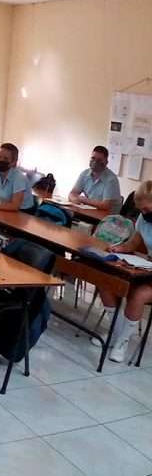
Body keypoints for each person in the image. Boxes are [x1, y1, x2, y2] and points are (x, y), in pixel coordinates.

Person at [95, 180, 152, 362]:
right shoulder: (144, 218)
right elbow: (135, 241)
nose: (143, 214)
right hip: (146, 269)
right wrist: (121, 248)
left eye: (147, 209)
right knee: (106, 280)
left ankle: (123, 341)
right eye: (141, 210)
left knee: (138, 294)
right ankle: (115, 331)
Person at [68, 145, 123, 213]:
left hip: (108, 218)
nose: (95, 162)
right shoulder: (85, 174)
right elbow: (72, 193)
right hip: (90, 212)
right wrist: (74, 199)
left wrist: (83, 200)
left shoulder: (111, 179)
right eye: (93, 158)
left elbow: (105, 205)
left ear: (106, 162)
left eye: (99, 160)